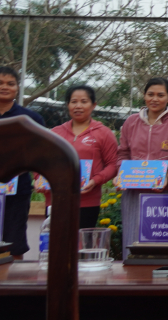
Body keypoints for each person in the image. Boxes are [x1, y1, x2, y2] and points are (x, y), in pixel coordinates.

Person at [116, 77, 168, 260]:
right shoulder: (131, 122)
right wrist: (120, 175)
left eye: (160, 95)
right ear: (144, 95)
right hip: (134, 192)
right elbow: (123, 153)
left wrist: (167, 177)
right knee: (133, 241)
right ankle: (132, 276)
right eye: (150, 94)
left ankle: (163, 275)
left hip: (165, 192)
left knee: (162, 241)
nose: (154, 99)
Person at [0, 66, 47, 259]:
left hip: (17, 192)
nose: (4, 87)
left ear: (17, 88)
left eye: (10, 83)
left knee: (14, 243)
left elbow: (42, 153)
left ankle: (12, 278)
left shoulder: (31, 119)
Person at [50, 85, 119, 229]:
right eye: (74, 101)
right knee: (55, 241)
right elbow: (41, 161)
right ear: (68, 105)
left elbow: (113, 165)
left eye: (84, 101)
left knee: (81, 241)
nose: (78, 106)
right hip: (56, 200)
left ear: (93, 105)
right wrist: (39, 180)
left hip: (87, 201)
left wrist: (95, 180)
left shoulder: (104, 133)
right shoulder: (55, 133)